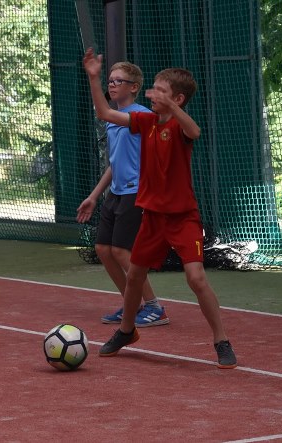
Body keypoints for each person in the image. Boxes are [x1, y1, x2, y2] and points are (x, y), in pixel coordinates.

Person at [82, 48, 237, 368]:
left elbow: (195, 131)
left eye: (160, 90)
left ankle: (221, 340)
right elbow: (105, 113)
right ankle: (127, 331)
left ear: (177, 99)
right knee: (134, 275)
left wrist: (172, 109)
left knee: (196, 278)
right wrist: (94, 78)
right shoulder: (145, 122)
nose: (153, 93)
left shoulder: (180, 128)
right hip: (152, 216)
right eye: (152, 87)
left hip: (182, 218)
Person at [76, 61, 169, 328]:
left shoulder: (142, 117)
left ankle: (155, 307)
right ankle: (133, 304)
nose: (113, 85)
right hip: (115, 192)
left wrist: (93, 77)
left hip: (136, 192)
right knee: (103, 249)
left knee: (121, 251)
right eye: (110, 81)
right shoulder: (113, 119)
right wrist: (94, 196)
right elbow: (114, 164)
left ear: (134, 87)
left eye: (119, 81)